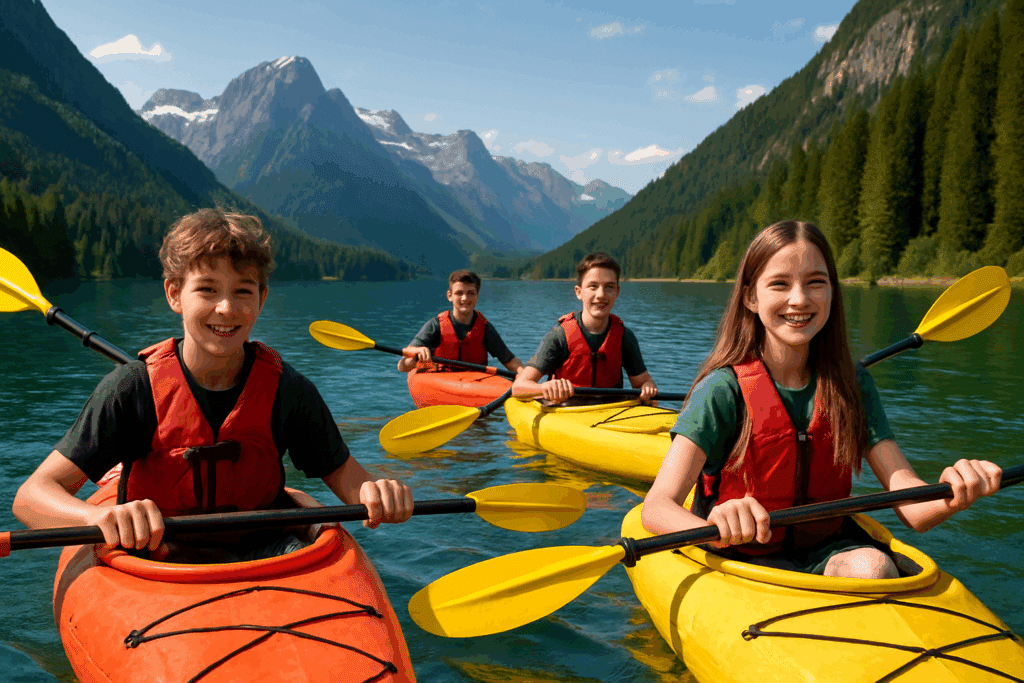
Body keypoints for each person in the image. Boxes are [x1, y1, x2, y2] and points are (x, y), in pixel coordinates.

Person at [12, 209, 413, 562]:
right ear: (174, 294)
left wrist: (377, 494)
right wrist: (95, 516)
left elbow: (345, 478)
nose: (226, 308)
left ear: (261, 299)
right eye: (207, 289)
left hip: (267, 549)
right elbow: (30, 499)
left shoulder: (289, 390)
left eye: (243, 291)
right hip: (158, 554)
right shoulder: (129, 389)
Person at [641, 220, 1002, 578]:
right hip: (736, 556)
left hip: (828, 550)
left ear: (832, 292)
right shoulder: (722, 390)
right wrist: (717, 527)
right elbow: (657, 508)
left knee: (873, 566)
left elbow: (911, 505)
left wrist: (954, 489)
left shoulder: (852, 385)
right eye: (779, 284)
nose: (799, 299)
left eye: (816, 282)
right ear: (751, 297)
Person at [512, 252, 658, 404]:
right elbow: (518, 388)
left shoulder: (625, 337)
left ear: (617, 292)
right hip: (565, 410)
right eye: (593, 286)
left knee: (652, 403)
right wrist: (544, 388)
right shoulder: (559, 335)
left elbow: (642, 382)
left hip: (609, 412)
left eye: (609, 287)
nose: (601, 295)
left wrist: (648, 386)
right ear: (579, 292)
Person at [397, 269, 524, 375]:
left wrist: (526, 379)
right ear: (449, 296)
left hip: (474, 385)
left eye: (470, 293)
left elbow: (510, 361)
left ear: (477, 295)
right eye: (459, 293)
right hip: (440, 383)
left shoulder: (485, 328)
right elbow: (402, 367)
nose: (465, 298)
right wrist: (416, 353)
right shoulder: (435, 326)